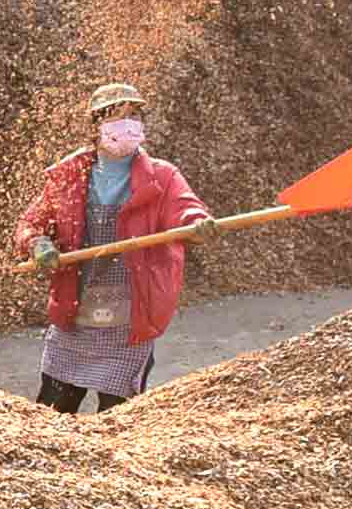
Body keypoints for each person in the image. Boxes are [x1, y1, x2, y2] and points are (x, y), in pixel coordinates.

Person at [12, 81, 214, 416]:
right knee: (52, 412)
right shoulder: (69, 175)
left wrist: (197, 223)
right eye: (116, 116)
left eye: (134, 115)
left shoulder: (161, 176)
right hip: (74, 315)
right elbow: (31, 222)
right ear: (96, 127)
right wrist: (38, 242)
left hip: (130, 319)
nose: (128, 124)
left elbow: (185, 208)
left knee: (116, 418)